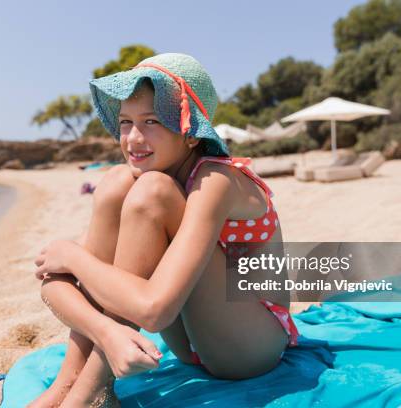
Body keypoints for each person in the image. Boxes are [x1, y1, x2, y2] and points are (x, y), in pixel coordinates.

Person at [29, 53, 299, 408]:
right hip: (190, 345)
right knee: (115, 184)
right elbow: (53, 283)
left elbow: (154, 310)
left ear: (190, 135)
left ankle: (88, 393)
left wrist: (75, 258)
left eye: (152, 121)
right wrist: (106, 331)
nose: (133, 138)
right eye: (125, 122)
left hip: (251, 345)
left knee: (152, 191)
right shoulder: (135, 182)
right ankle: (68, 385)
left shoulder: (215, 180)